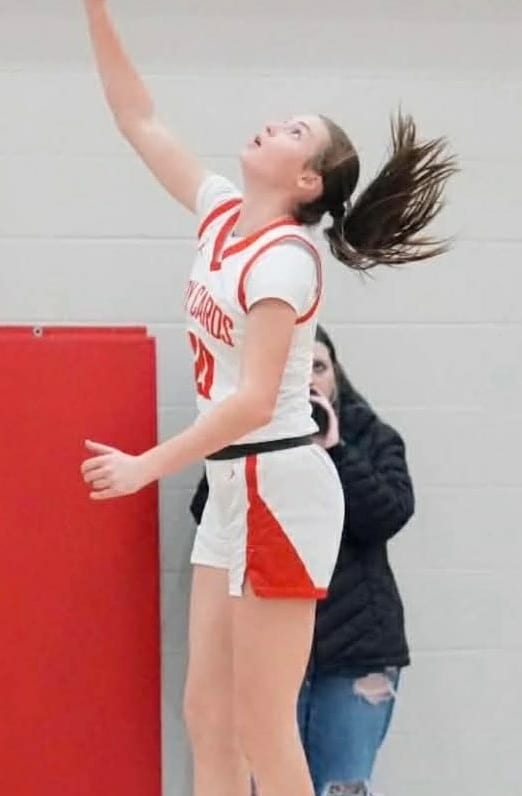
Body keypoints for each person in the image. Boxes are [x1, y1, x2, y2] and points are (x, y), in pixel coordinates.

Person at [79, 3, 456, 796]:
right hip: (233, 487)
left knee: (262, 725)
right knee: (208, 718)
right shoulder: (221, 213)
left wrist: (147, 465)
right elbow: (138, 117)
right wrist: (96, 10)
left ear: (307, 180)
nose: (273, 125)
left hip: (279, 484)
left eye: (294, 130)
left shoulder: (286, 259)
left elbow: (254, 402)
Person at [191, 324, 414, 796]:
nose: (309, 378)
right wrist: (254, 442)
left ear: (337, 374)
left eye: (319, 366)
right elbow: (208, 514)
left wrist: (334, 451)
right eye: (297, 368)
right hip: (271, 642)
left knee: (341, 786)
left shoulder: (372, 436)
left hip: (356, 651)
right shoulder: (249, 435)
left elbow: (386, 516)